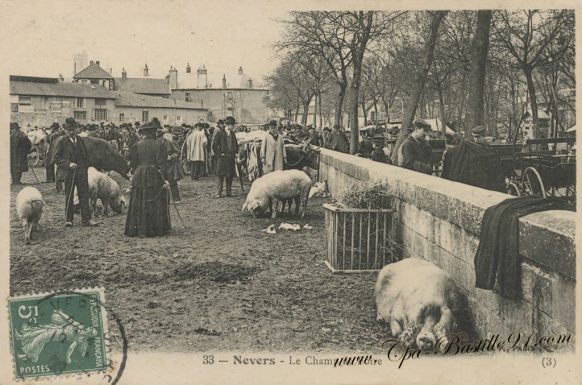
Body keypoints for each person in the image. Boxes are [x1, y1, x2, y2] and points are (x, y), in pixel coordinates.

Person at [125, 120, 171, 237]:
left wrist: (135, 172)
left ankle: (138, 229)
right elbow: (162, 163)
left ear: (143, 133)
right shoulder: (159, 144)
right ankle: (155, 229)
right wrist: (165, 179)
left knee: (139, 201)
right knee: (154, 201)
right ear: (154, 132)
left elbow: (132, 161)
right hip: (153, 174)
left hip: (139, 174)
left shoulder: (137, 145)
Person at [53, 118, 99, 227]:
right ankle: (69, 220)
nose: (71, 132)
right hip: (69, 173)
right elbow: (56, 158)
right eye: (69, 130)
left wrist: (85, 166)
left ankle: (87, 219)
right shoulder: (61, 141)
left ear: (76, 129)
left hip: (82, 172)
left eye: (73, 129)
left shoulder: (80, 139)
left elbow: (86, 155)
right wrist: (69, 164)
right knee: (69, 196)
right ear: (65, 130)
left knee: (84, 195)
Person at [441, 125, 505, 192]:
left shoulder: (487, 149)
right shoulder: (468, 147)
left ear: (484, 137)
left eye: (478, 137)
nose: (476, 139)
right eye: (475, 137)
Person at [212, 116, 239, 198]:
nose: (233, 126)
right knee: (220, 176)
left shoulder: (232, 134)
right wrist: (219, 154)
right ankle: (218, 193)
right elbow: (214, 145)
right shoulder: (220, 133)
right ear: (228, 125)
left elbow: (235, 145)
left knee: (229, 175)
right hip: (222, 158)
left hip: (230, 158)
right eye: (232, 125)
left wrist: (235, 152)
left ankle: (228, 192)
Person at [158, 127, 183, 202]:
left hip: (170, 165)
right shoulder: (157, 143)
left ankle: (176, 199)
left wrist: (171, 157)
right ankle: (165, 199)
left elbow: (178, 152)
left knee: (172, 182)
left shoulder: (170, 142)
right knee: (162, 182)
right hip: (161, 165)